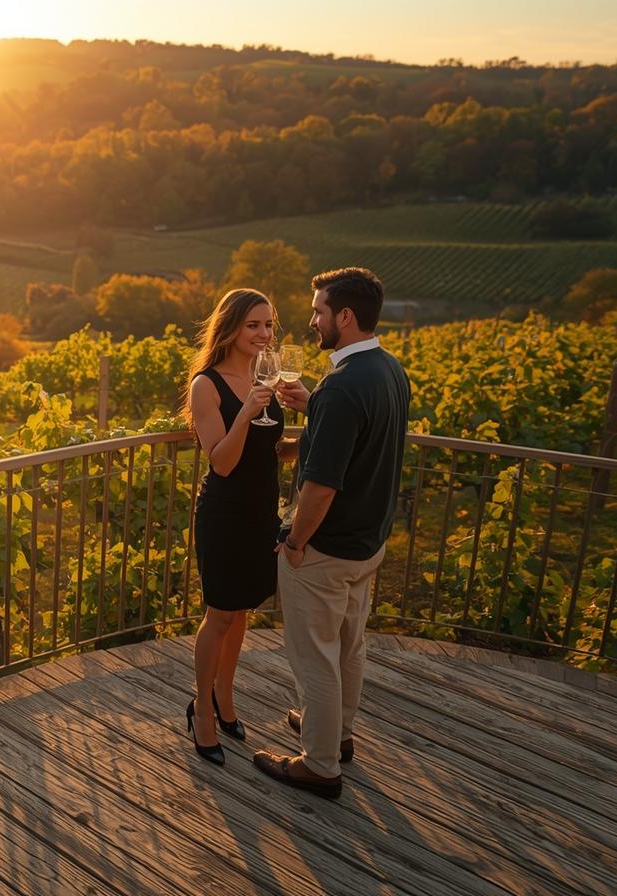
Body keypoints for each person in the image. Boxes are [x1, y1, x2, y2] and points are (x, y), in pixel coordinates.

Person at [254, 267, 410, 799]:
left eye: (319, 311)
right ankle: (337, 735)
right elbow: (364, 438)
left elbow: (321, 487)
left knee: (314, 658)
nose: (312, 320)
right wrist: (314, 404)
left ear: (345, 316)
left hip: (326, 548)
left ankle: (319, 766)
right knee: (348, 646)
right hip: (369, 541)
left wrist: (296, 542)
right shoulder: (388, 370)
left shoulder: (342, 387)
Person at [183, 288, 294, 766]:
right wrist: (247, 411)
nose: (264, 333)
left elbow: (269, 451)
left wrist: (311, 438)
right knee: (220, 614)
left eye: (268, 325)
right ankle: (202, 709)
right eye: (253, 325)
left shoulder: (265, 377)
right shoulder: (206, 386)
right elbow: (223, 462)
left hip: (260, 514)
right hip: (225, 515)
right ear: (229, 327)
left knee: (242, 611)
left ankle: (225, 697)